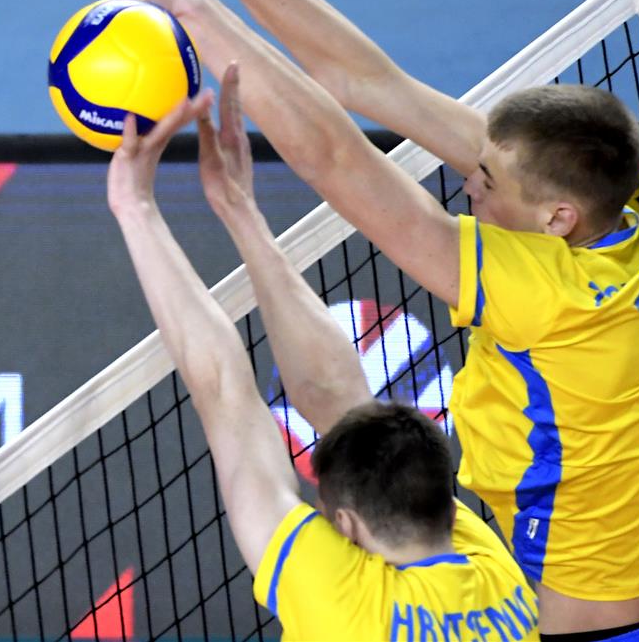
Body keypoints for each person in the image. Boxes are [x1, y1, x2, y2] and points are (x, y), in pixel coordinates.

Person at [71, 0, 639, 640]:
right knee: (349, 412)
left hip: (582, 632)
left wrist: (187, 5)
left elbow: (337, 160)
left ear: (556, 218)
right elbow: (369, 83)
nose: (467, 186)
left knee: (348, 414)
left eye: (486, 183)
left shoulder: (546, 296)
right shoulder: (627, 205)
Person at [107, 73, 536, 640]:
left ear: (347, 526)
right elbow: (293, 403)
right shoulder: (495, 574)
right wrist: (235, 210)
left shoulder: (344, 600)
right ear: (445, 503)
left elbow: (229, 396)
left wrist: (135, 203)